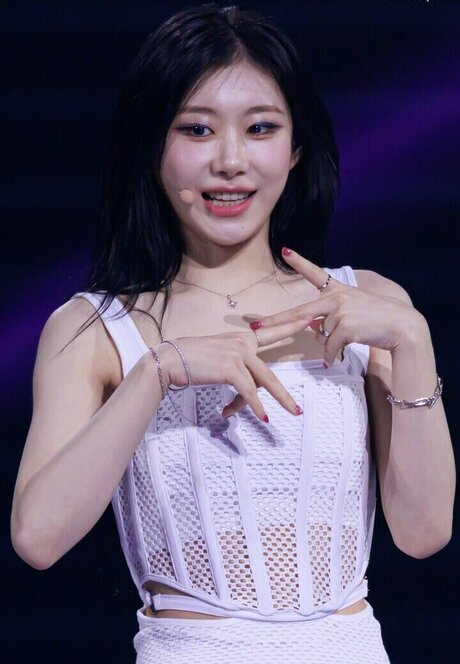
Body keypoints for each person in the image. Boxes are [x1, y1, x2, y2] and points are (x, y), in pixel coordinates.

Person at [11, 4, 455, 663]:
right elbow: (38, 538)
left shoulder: (370, 305)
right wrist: (156, 372)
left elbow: (423, 533)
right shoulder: (94, 328)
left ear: (295, 148)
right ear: (153, 146)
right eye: (196, 129)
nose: (230, 160)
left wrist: (413, 342)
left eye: (260, 128)